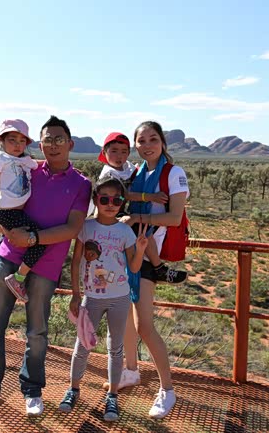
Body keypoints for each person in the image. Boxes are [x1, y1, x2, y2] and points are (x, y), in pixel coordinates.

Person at [0, 115, 92, 417]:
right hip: (9, 255)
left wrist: (32, 238)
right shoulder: (26, 169)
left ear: (70, 144)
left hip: (47, 264)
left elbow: (73, 228)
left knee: (37, 332)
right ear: (40, 145)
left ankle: (32, 391)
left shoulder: (82, 184)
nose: (53, 145)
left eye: (59, 139)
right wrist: (4, 228)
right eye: (48, 140)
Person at [114, 121, 190, 419]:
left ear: (162, 143)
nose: (147, 145)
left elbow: (174, 218)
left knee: (144, 325)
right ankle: (131, 371)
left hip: (146, 254)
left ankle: (167, 390)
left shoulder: (174, 173)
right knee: (126, 320)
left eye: (153, 139)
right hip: (128, 251)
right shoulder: (138, 173)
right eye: (141, 140)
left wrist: (136, 218)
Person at [58, 177, 148, 422]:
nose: (110, 204)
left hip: (120, 297)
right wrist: (76, 294)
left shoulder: (124, 231)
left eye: (117, 200)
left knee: (115, 348)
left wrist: (140, 249)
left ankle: (112, 396)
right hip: (92, 298)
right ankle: (73, 389)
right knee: (82, 345)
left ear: (122, 203)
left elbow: (134, 267)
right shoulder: (86, 227)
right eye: (104, 199)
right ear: (96, 200)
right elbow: (76, 261)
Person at [0, 119, 42, 302]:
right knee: (40, 239)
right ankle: (18, 278)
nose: (17, 145)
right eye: (12, 140)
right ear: (1, 141)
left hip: (18, 213)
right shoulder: (0, 158)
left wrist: (68, 166)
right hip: (8, 212)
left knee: (7, 237)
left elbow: (41, 164)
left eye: (22, 141)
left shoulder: (26, 160)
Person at [97, 132, 182, 282]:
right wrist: (151, 197)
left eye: (124, 152)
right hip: (110, 213)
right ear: (104, 152)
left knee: (142, 229)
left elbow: (136, 174)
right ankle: (158, 268)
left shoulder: (127, 167)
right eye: (114, 151)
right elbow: (126, 195)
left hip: (120, 211)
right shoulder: (109, 173)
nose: (119, 156)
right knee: (141, 229)